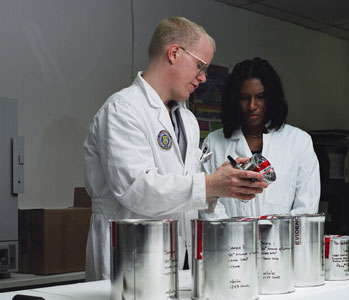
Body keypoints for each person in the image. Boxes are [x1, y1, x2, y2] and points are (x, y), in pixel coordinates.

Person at [83, 18, 268, 281]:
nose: (203, 78)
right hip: (130, 259)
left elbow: (185, 191)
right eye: (200, 66)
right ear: (174, 53)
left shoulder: (187, 120)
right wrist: (209, 184)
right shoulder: (123, 109)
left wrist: (222, 184)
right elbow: (137, 189)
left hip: (177, 258)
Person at [201, 57, 320, 218]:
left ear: (272, 98)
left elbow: (306, 207)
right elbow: (207, 204)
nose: (252, 106)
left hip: (282, 241)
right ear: (235, 99)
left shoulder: (298, 142)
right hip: (230, 240)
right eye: (244, 97)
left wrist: (278, 238)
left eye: (260, 96)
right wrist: (236, 236)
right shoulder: (214, 142)